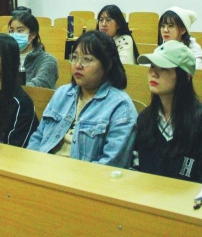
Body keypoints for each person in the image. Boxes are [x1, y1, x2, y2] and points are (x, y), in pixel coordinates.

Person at [27, 31, 137, 167]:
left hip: (85, 176)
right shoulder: (62, 93)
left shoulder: (120, 106)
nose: (78, 65)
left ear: (108, 65)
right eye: (75, 57)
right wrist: (32, 165)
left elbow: (112, 162)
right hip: (43, 170)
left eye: (87, 59)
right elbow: (38, 137)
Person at [133, 40, 202, 184]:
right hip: (148, 195)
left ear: (186, 76)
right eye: (152, 66)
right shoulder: (145, 118)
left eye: (164, 68)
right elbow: (136, 170)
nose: (154, 73)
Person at [8, 8, 58, 89]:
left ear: (33, 35)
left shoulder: (48, 60)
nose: (15, 35)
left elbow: (39, 86)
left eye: (20, 31)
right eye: (12, 31)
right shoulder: (5, 57)